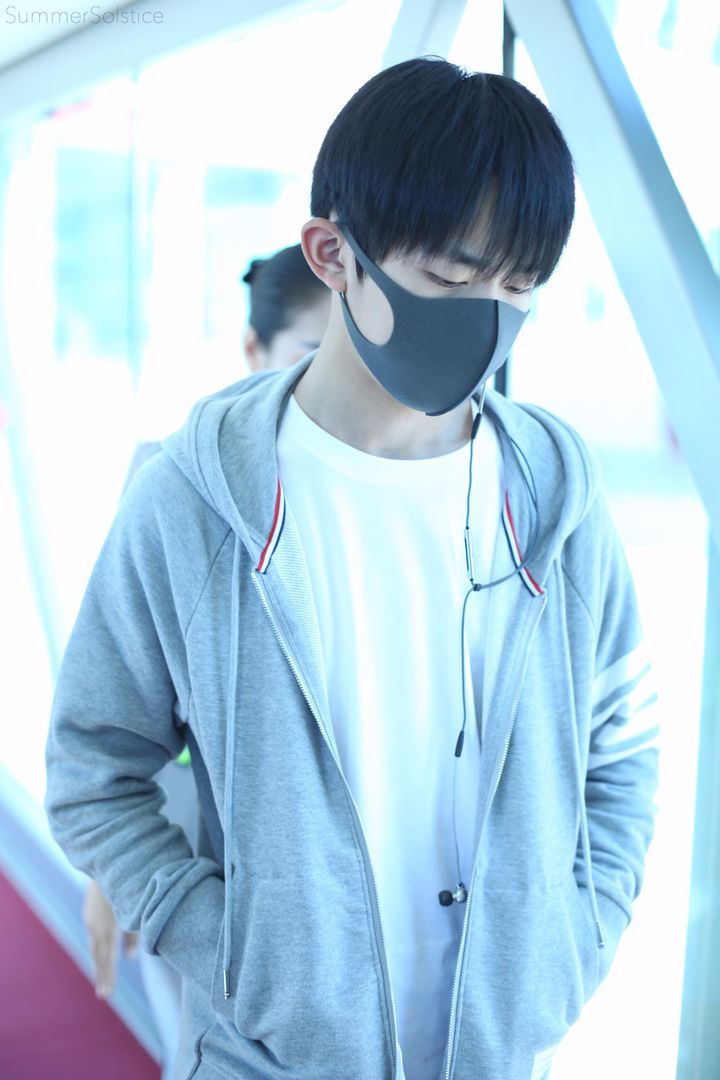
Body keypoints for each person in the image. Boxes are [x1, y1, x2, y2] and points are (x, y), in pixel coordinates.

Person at [46, 58, 659, 1080]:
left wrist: (573, 946)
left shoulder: (557, 499)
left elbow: (623, 749)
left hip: (503, 1057)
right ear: (333, 255)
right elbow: (91, 773)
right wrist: (233, 956)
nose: (489, 318)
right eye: (453, 280)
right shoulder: (192, 504)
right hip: (266, 1057)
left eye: (520, 288)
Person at [79, 243, 330, 1074]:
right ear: (255, 350)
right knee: (199, 1034)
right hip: (186, 812)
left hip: (301, 842)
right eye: (311, 353)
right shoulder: (169, 477)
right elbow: (112, 689)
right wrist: (111, 871)